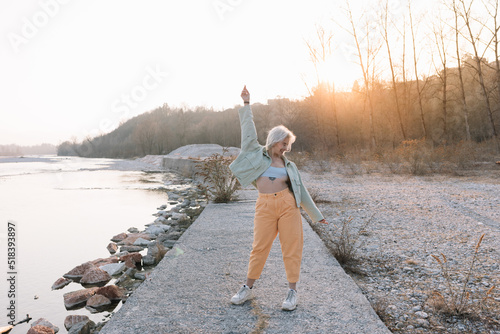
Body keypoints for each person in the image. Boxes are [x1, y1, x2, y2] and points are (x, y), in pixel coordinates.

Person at [229, 85, 328, 311]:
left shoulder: (289, 166)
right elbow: (247, 129)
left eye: (288, 145)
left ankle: (292, 293)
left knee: (291, 248)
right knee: (259, 247)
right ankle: (247, 288)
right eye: (284, 144)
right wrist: (246, 104)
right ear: (274, 140)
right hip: (264, 205)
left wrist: (316, 216)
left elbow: (301, 192)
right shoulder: (255, 152)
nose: (286, 148)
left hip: (287, 206)